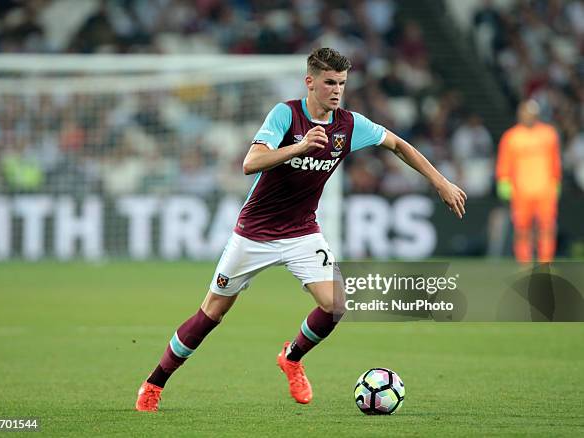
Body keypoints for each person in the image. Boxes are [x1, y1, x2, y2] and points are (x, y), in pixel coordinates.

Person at [135, 47, 467, 411]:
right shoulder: (286, 115)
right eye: (329, 82)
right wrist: (299, 147)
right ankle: (154, 384)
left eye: (341, 83)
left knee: (336, 304)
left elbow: (398, 145)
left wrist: (440, 182)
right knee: (211, 313)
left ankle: (292, 357)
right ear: (310, 82)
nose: (336, 90)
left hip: (302, 233)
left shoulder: (349, 125)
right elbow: (251, 162)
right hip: (254, 234)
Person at [496, 99, 561, 263]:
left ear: (537, 115)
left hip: (545, 191)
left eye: (531, 113)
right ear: (520, 114)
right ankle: (523, 262)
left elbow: (555, 162)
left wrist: (556, 182)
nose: (528, 116)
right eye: (525, 112)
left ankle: (546, 261)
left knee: (546, 228)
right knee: (522, 229)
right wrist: (503, 182)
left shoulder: (549, 134)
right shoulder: (511, 137)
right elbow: (504, 163)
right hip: (521, 192)